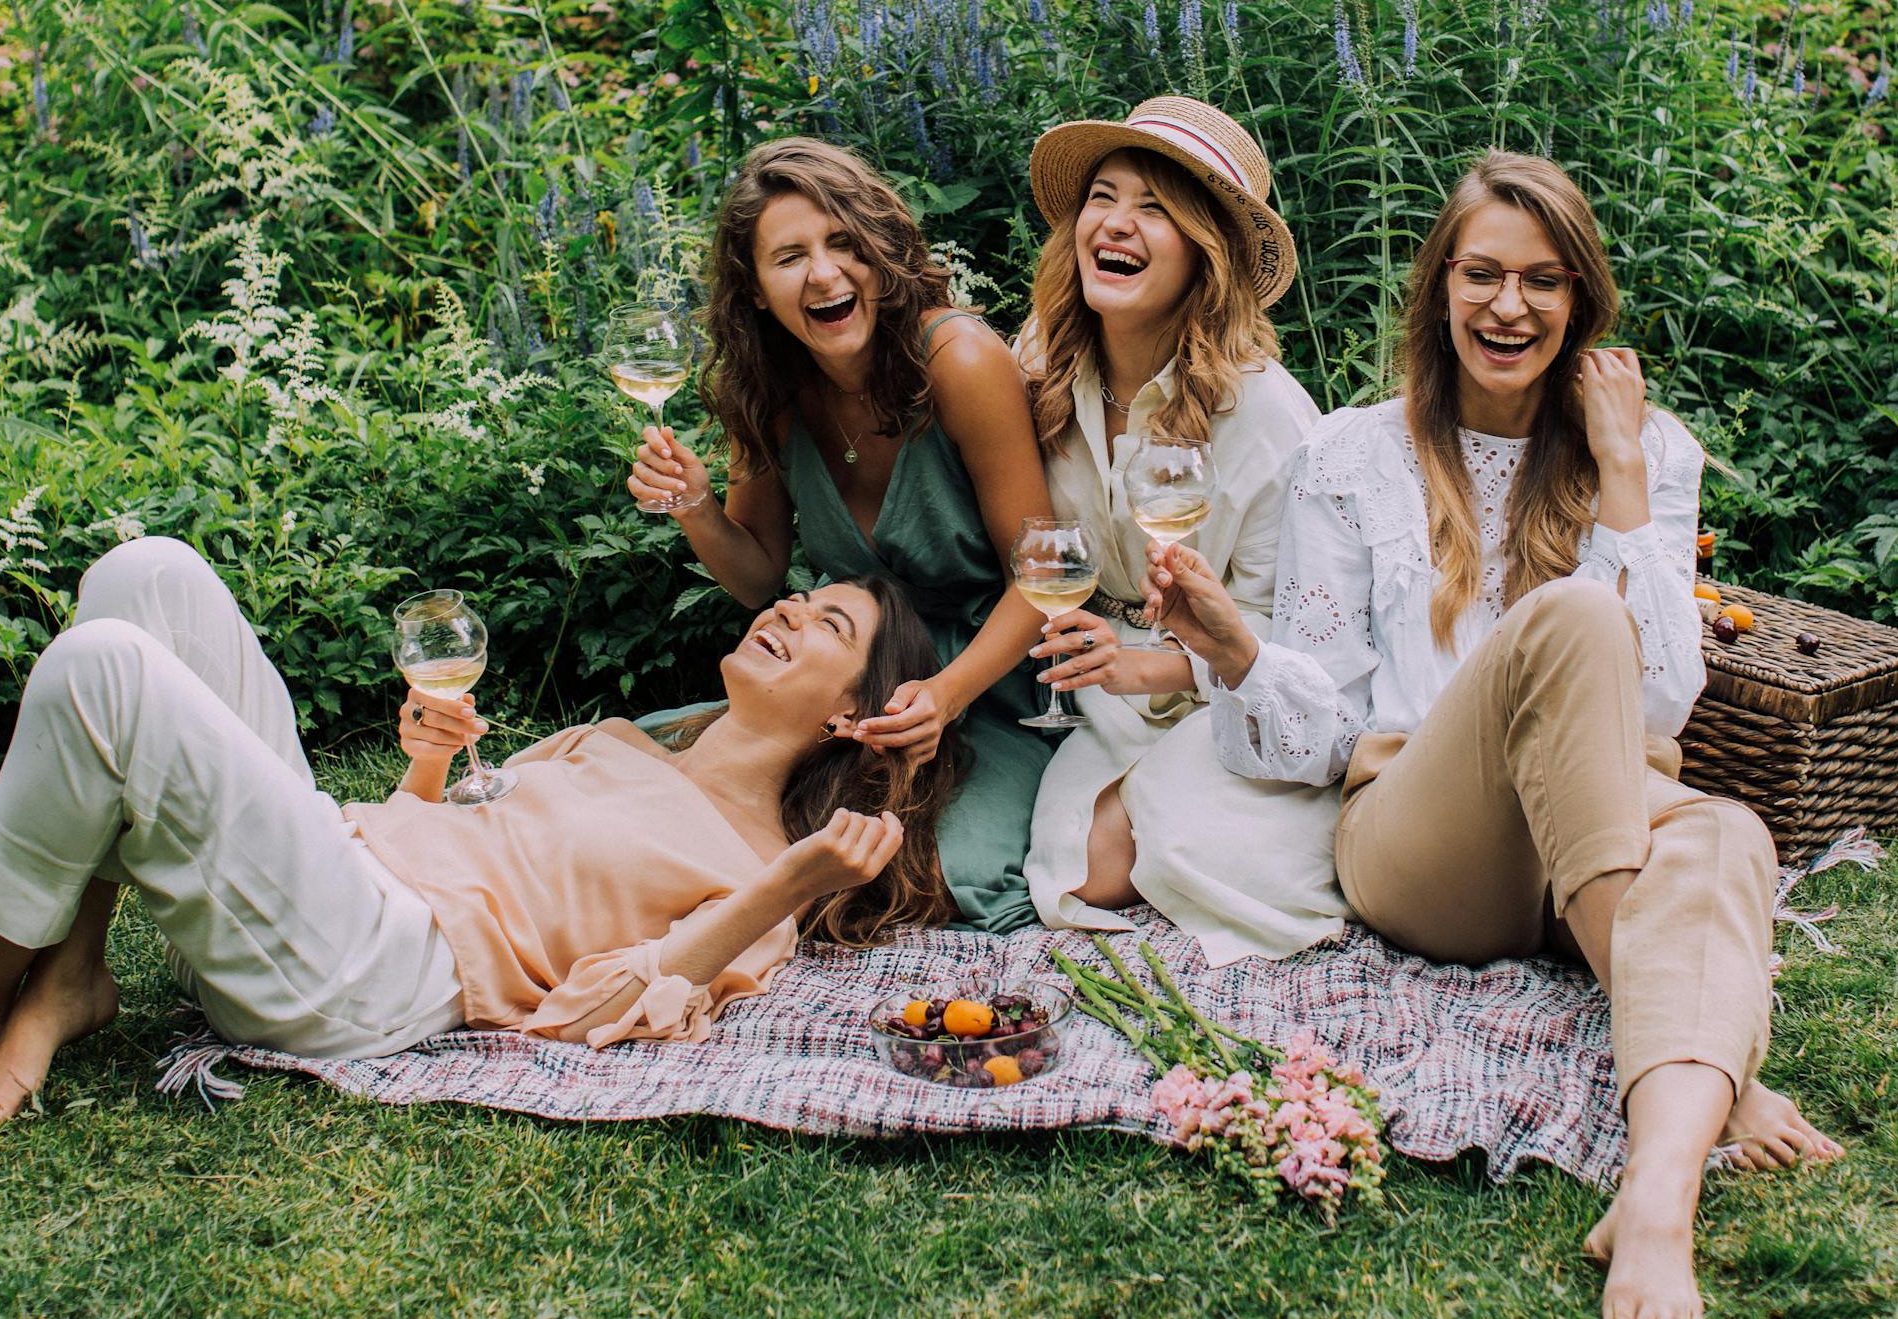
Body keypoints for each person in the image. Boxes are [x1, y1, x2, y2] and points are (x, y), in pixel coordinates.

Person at [1145, 150, 1840, 1318]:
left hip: (1599, 822)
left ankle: (1657, 1196)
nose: (1509, 305)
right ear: (1439, 289)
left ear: (1580, 303)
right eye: (1481, 274)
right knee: (1572, 616)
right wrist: (1236, 650)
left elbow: (1663, 705)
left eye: (1543, 280)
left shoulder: (1651, 454)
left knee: (1726, 829)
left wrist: (1619, 469)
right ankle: (1722, 1068)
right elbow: (1308, 732)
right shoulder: (1352, 457)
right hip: (1427, 843)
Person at [0, 536, 962, 1124]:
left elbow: (587, 1015)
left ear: (849, 710)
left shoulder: (758, 875)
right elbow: (440, 822)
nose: (786, 611)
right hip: (344, 861)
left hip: (375, 967)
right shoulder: (611, 741)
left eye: (829, 625)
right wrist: (424, 760)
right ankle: (66, 978)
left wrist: (785, 886)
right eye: (800, 596)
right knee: (147, 579)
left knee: (105, 664)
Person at [627, 137, 1056, 932]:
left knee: (943, 873)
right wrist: (694, 506)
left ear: (881, 254)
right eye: (789, 256)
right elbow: (759, 576)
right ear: (755, 290)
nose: (824, 274)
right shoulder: (767, 389)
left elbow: (1043, 576)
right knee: (654, 776)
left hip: (986, 685)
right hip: (842, 685)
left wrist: (945, 694)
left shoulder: (959, 361)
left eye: (844, 244)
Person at [1014, 96, 1344, 965]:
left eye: (1156, 209)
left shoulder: (1268, 416)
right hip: (1101, 697)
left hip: (1227, 697)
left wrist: (1147, 664)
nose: (1117, 224)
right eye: (1105, 197)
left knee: (1171, 849)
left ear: (1206, 254)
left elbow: (1297, 640)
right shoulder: (1046, 364)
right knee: (1077, 873)